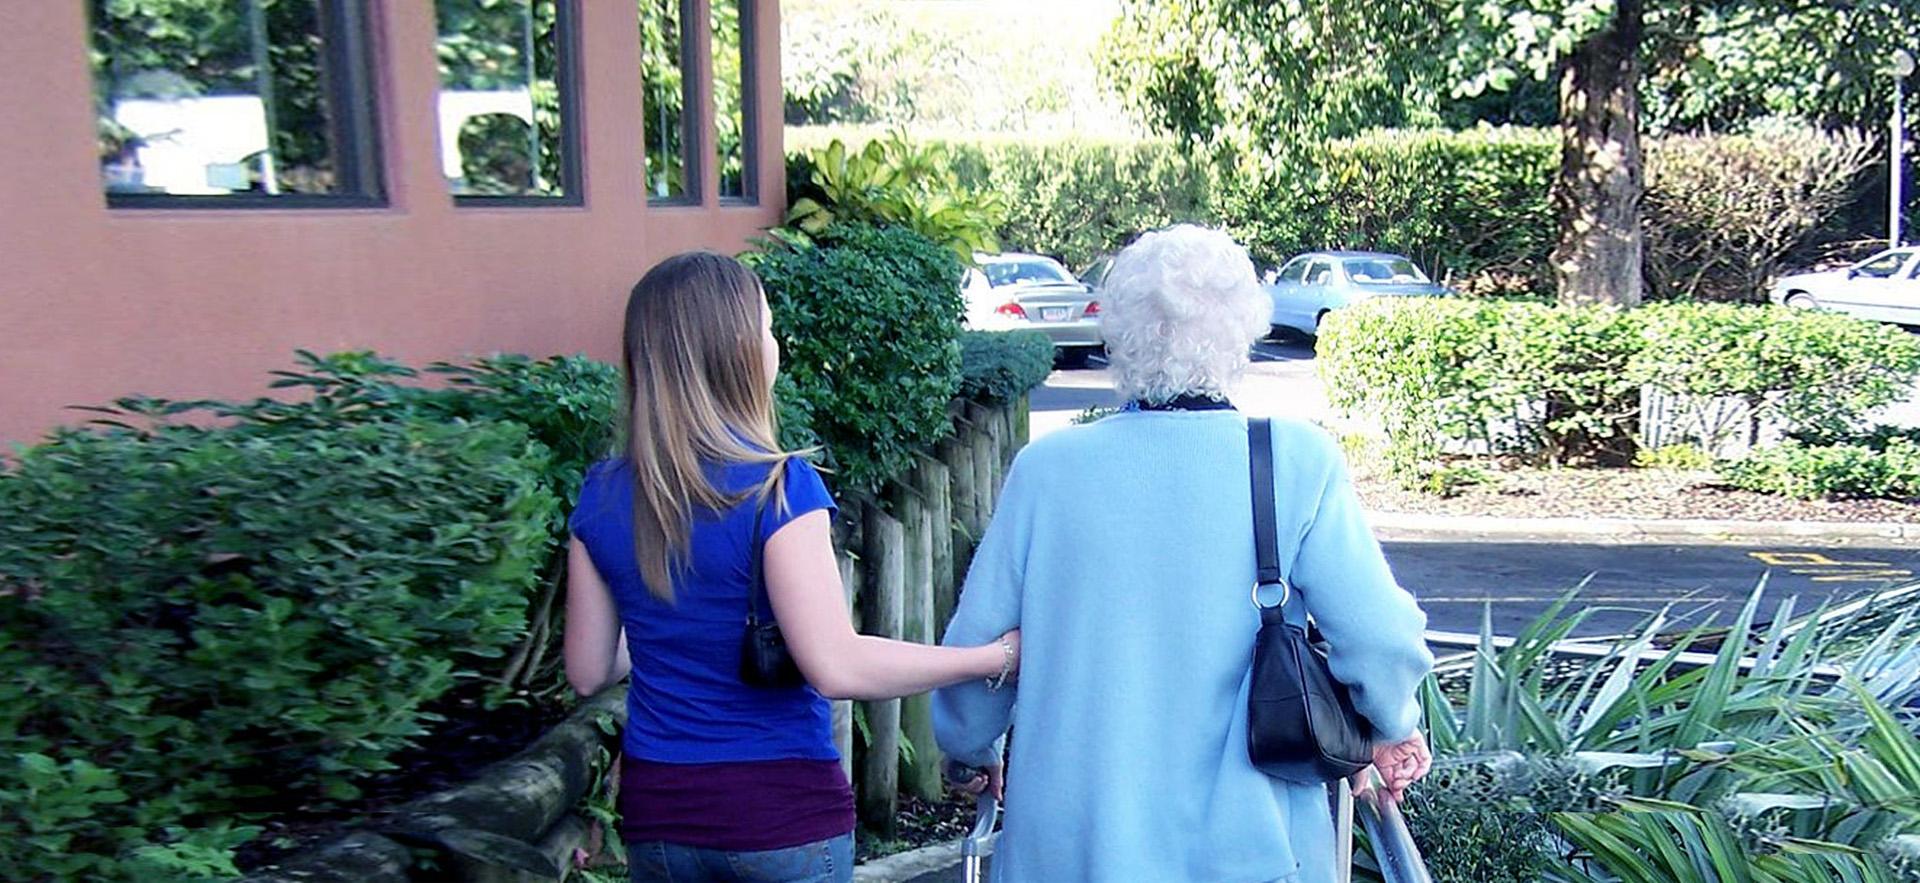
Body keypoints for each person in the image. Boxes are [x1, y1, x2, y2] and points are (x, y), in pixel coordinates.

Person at [932, 225, 1434, 883]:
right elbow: (1378, 635)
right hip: (1248, 853)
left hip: (1071, 851)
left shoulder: (1047, 469)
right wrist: (1394, 723)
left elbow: (979, 650)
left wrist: (969, 749)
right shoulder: (1294, 460)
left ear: (1118, 333)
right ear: (1245, 330)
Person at [564, 251, 1020, 883]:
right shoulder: (779, 489)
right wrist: (990, 659)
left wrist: (677, 632)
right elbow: (836, 666)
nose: (774, 344)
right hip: (778, 817)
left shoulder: (603, 492)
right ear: (739, 354)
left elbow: (589, 669)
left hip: (661, 816)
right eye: (768, 329)